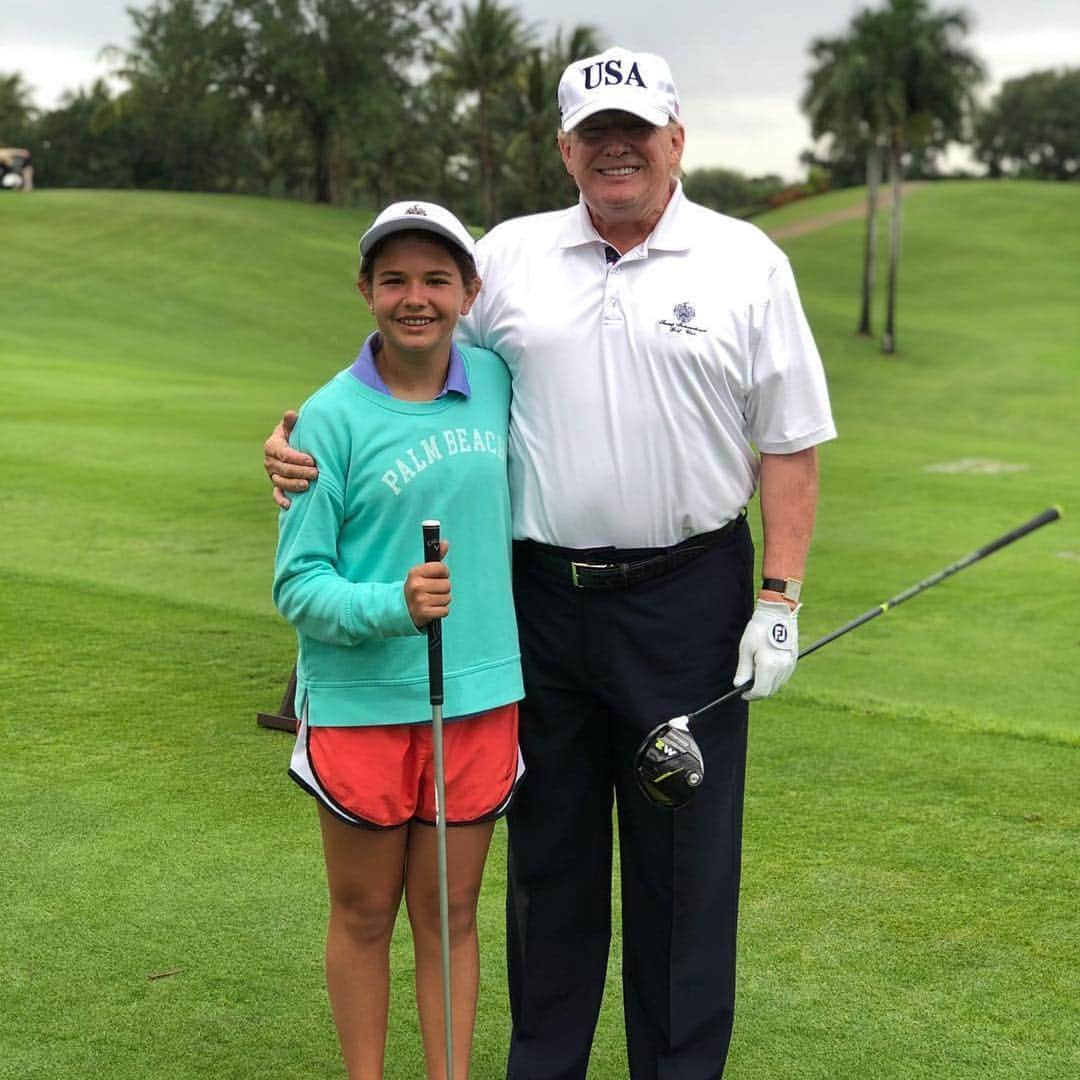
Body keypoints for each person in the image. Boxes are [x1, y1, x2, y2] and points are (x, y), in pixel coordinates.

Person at [266, 46, 836, 1080]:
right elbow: (412, 361)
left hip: (691, 598)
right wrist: (305, 440)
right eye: (595, 132)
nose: (616, 147)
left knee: (684, 869)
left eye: (636, 129)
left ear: (676, 139)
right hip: (538, 604)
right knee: (551, 864)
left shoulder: (746, 260)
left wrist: (779, 597)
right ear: (566, 147)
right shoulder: (513, 256)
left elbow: (788, 442)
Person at [273, 200, 523, 1080]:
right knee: (366, 913)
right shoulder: (327, 419)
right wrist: (395, 605)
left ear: (468, 290)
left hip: (481, 694)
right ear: (365, 291)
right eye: (394, 280)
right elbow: (295, 585)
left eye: (435, 280)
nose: (414, 298)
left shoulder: (497, 380)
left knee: (452, 914)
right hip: (362, 703)